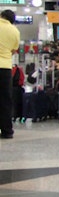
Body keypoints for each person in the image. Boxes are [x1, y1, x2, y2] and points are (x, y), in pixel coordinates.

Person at [0, 10, 19, 138]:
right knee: (5, 100)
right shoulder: (15, 31)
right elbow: (14, 50)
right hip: (5, 68)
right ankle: (7, 131)